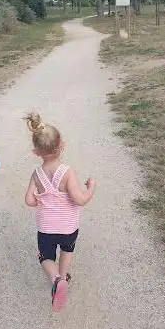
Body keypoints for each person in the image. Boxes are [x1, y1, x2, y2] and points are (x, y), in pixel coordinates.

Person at [24, 112, 96, 312]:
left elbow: (29, 201)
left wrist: (36, 195)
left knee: (46, 257)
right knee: (67, 250)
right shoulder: (68, 173)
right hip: (68, 228)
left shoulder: (36, 174)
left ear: (36, 152)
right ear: (62, 145)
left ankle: (55, 278)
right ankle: (63, 277)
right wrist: (91, 187)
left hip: (46, 228)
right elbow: (80, 199)